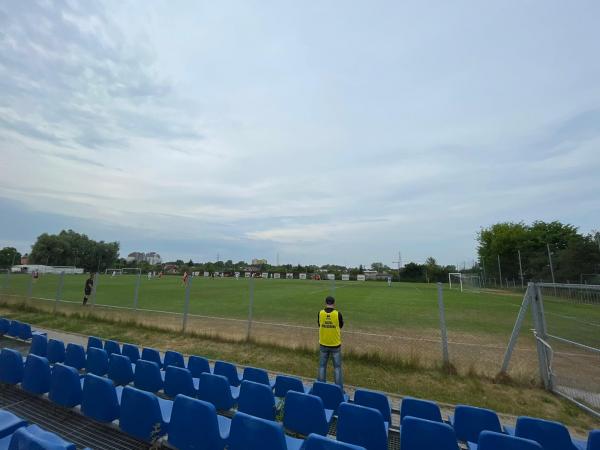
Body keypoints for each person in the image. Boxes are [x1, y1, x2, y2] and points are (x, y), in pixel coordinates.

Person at [317, 295, 344, 389]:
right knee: (337, 368)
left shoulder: (320, 313)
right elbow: (341, 325)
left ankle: (321, 388)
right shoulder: (338, 314)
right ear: (334, 304)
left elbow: (319, 324)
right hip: (335, 345)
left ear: (325, 303)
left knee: (321, 366)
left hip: (323, 343)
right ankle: (338, 390)